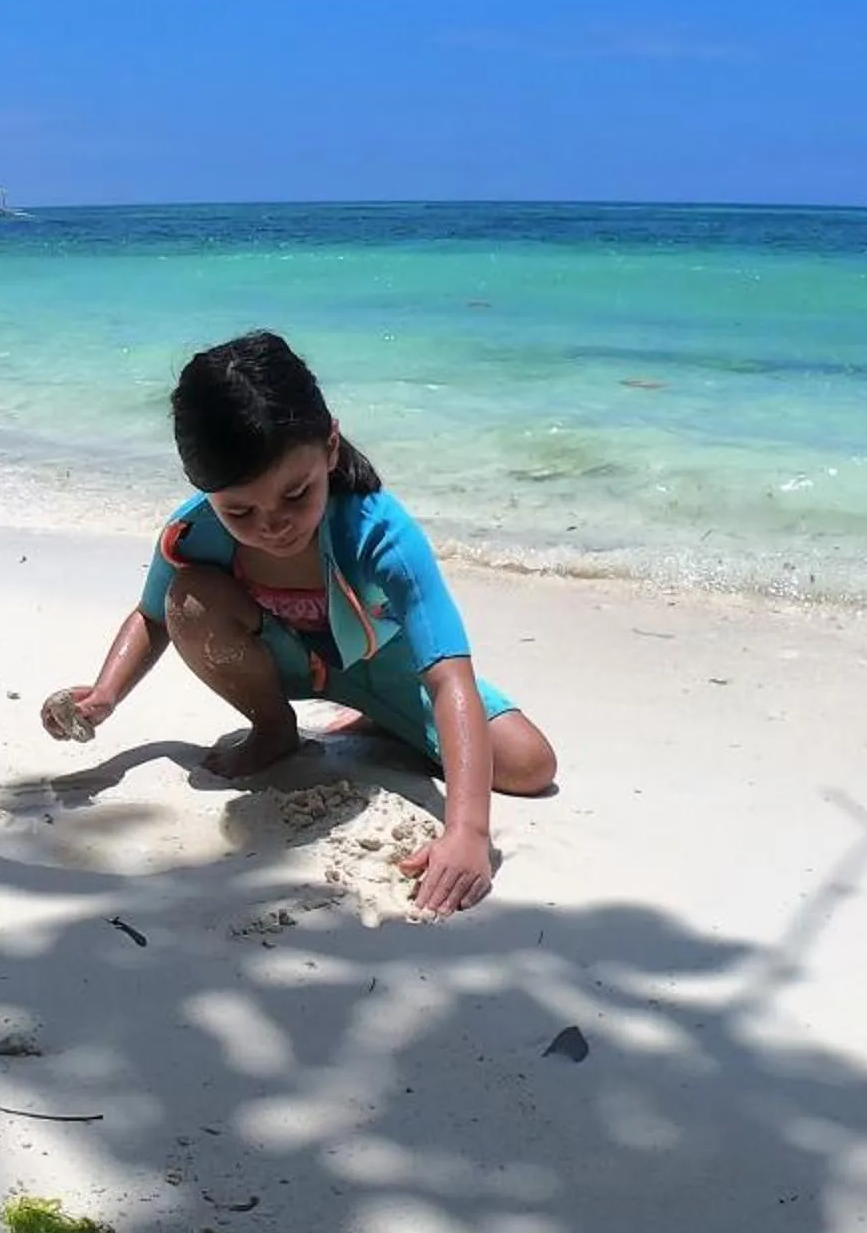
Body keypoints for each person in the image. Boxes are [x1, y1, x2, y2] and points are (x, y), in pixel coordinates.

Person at [40, 330, 557, 915]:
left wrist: (466, 832)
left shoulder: (380, 533)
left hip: (382, 664)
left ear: (330, 446)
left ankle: (379, 718)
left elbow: (447, 676)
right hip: (276, 665)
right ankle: (273, 728)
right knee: (191, 598)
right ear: (206, 492)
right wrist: (106, 695)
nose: (273, 524)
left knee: (530, 766)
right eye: (240, 510)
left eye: (295, 494)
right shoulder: (194, 534)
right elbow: (153, 617)